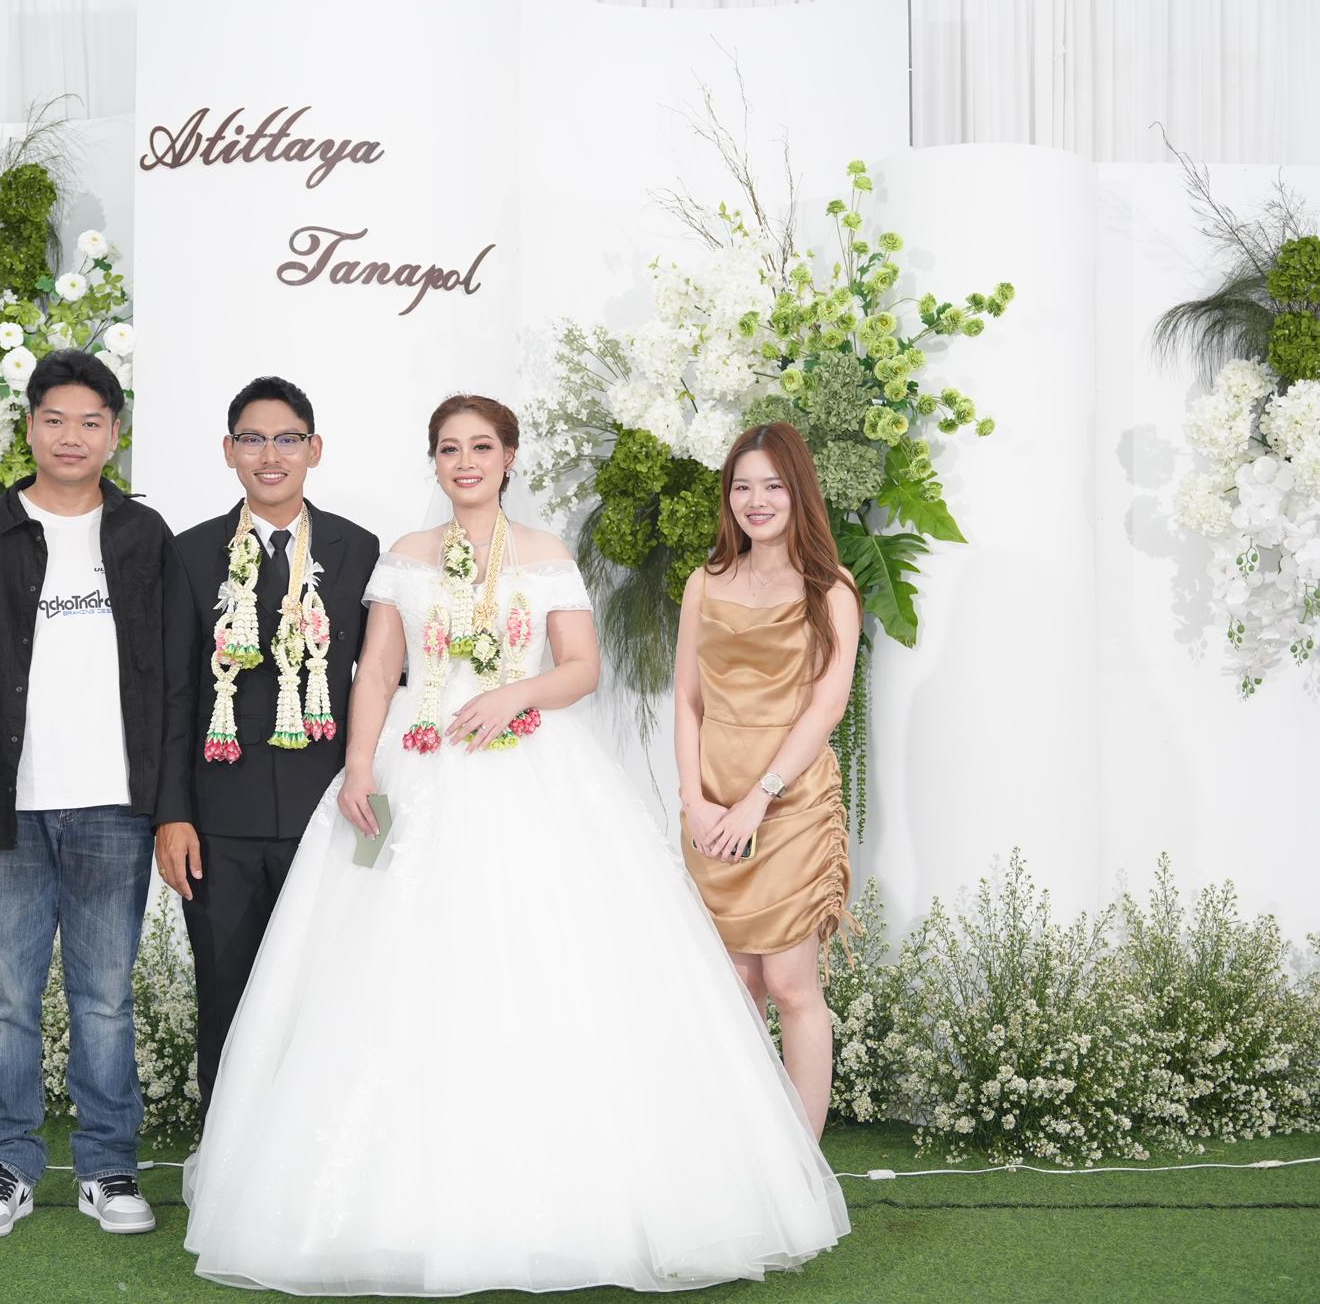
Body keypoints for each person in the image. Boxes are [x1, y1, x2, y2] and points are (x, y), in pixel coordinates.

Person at [183, 395, 849, 1295]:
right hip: (419, 765)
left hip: (533, 769)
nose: (466, 462)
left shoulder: (546, 553)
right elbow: (376, 670)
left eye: (482, 447)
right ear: (434, 461)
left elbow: (583, 667)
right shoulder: (404, 556)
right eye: (449, 448)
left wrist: (515, 694)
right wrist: (360, 766)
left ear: (509, 459)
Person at [0, 349, 172, 1241]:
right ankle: (6, 1164)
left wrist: (172, 802)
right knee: (8, 997)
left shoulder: (144, 536)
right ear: (30, 427)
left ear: (115, 433)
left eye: (91, 421)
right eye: (55, 419)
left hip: (116, 805)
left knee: (106, 998)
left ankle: (108, 1165)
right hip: (4, 804)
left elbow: (172, 681)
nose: (71, 437)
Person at [155, 376, 380, 1114]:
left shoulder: (358, 549)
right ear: (229, 451)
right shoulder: (190, 553)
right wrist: (172, 814)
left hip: (328, 812)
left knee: (329, 989)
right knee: (226, 988)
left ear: (315, 449)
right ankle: (225, 1144)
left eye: (288, 439)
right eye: (252, 439)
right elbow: (175, 694)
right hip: (219, 819)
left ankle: (315, 1142)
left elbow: (383, 680)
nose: (270, 455)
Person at [674, 420, 862, 1140]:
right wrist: (694, 800)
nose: (756, 501)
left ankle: (800, 1167)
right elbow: (687, 698)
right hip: (713, 801)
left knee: (788, 983)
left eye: (773, 486)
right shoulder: (704, 582)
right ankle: (748, 1155)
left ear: (798, 492)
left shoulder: (831, 588)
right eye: (742, 487)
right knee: (736, 987)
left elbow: (827, 705)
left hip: (790, 801)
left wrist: (760, 798)